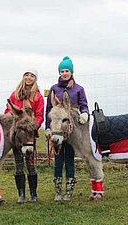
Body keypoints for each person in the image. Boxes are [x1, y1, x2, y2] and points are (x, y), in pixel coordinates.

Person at [45, 56, 89, 201]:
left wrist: (84, 113)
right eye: (62, 70)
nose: (64, 73)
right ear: (59, 72)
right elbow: (49, 110)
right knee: (58, 160)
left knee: (69, 159)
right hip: (57, 129)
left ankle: (69, 190)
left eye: (67, 71)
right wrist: (47, 128)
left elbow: (84, 104)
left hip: (71, 130)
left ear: (71, 72)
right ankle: (58, 191)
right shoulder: (54, 89)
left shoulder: (78, 89)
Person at [5, 69, 44, 204]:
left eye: (32, 75)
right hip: (17, 136)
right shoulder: (14, 95)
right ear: (23, 77)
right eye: (26, 75)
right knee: (19, 164)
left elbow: (39, 116)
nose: (29, 77)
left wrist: (33, 127)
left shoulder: (37, 97)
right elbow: (8, 111)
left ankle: (33, 194)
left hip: (29, 136)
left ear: (35, 79)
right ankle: (21, 194)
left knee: (31, 164)